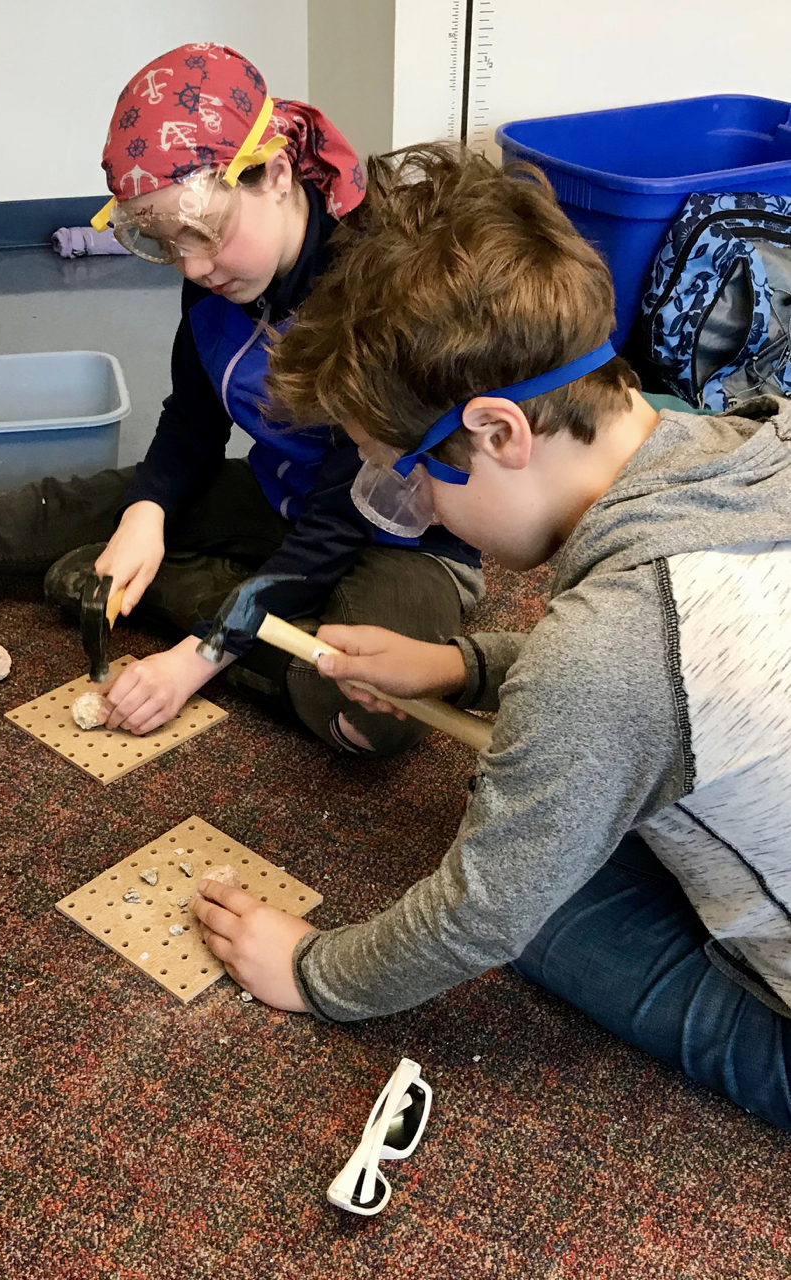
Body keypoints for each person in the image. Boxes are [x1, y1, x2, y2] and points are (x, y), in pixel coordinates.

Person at [190, 145, 791, 1131]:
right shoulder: (749, 436)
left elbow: (482, 908)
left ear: (500, 430)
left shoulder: (604, 653)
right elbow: (665, 682)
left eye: (406, 476)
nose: (413, 505)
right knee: (552, 783)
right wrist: (462, 664)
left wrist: (308, 968)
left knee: (535, 900)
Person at [0, 44, 482, 756]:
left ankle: (215, 606)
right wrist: (147, 514)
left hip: (402, 545)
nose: (193, 266)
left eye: (207, 234)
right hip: (283, 497)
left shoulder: (377, 288)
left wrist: (197, 659)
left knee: (366, 714)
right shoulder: (216, 274)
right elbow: (192, 419)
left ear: (276, 174)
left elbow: (343, 515)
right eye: (164, 243)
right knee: (68, 507)